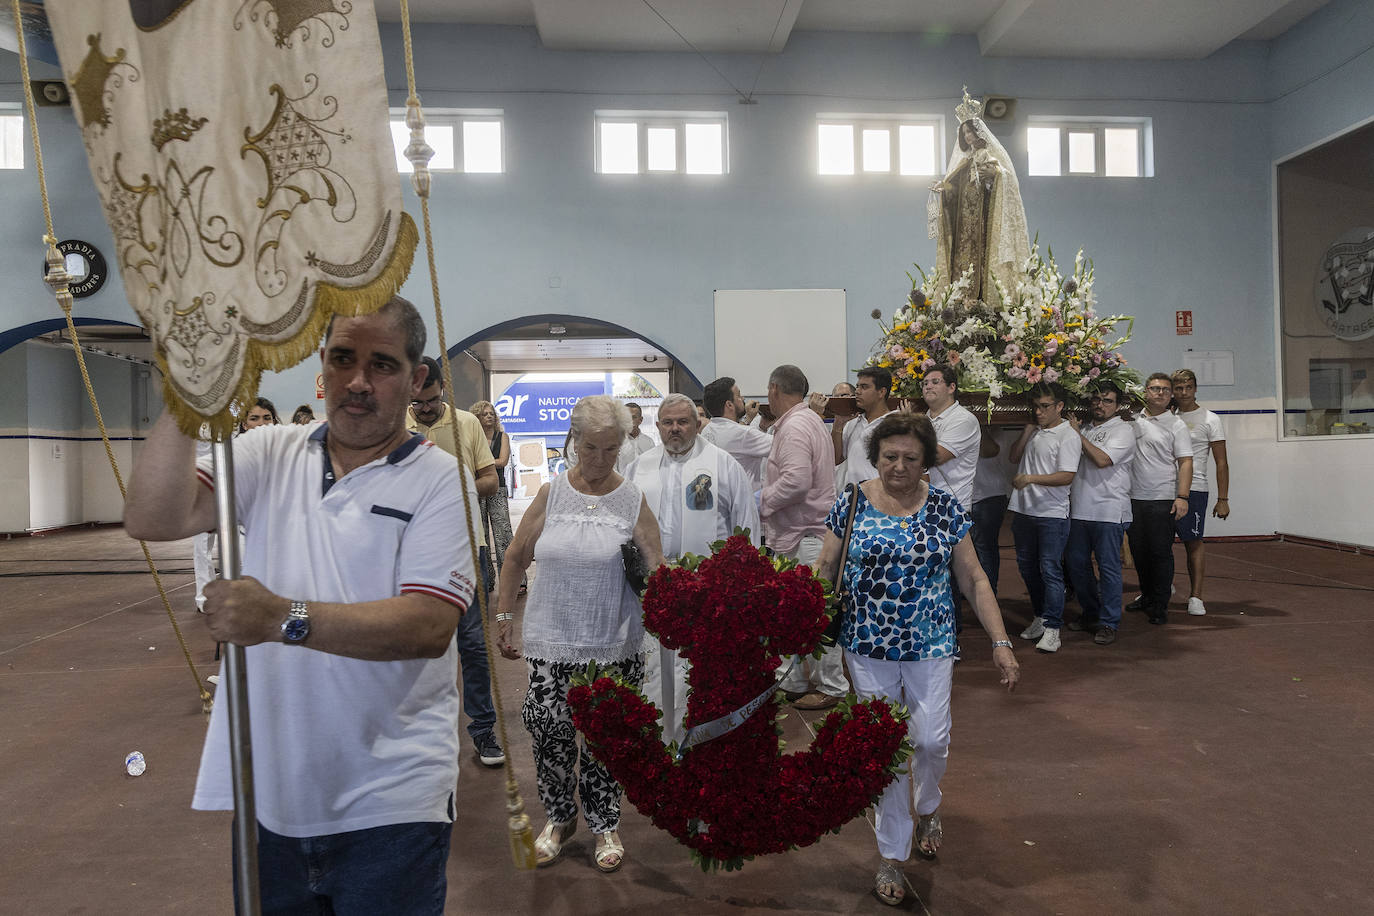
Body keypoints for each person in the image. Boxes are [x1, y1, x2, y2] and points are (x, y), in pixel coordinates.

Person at [123, 296, 476, 913]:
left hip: (392, 799)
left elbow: (427, 626)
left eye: (383, 365)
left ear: (417, 378)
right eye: (343, 359)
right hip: (272, 793)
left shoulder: (439, 478)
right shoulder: (267, 453)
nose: (359, 382)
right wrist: (187, 394)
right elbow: (153, 516)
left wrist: (281, 617)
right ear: (322, 365)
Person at [815, 412, 1019, 907]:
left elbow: (972, 577)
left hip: (931, 643)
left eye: (910, 458)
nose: (899, 467)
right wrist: (807, 623)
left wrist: (1000, 641)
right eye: (890, 457)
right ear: (875, 457)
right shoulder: (854, 500)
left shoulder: (945, 505)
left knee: (930, 740)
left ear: (926, 460)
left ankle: (929, 805)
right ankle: (891, 853)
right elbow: (825, 566)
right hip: (866, 645)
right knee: (888, 751)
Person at [493, 395, 663, 874]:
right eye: (591, 448)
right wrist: (505, 617)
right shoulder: (552, 494)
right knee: (549, 735)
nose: (600, 460)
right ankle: (560, 818)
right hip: (552, 644)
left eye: (611, 449)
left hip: (613, 643)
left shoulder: (632, 499)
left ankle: (605, 821)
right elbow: (514, 557)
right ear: (573, 440)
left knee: (606, 742)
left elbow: (658, 569)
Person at [626, 393, 759, 745]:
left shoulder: (723, 464)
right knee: (654, 667)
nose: (674, 429)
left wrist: (743, 586)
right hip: (651, 587)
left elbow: (746, 526)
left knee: (696, 670)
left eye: (682, 422)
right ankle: (659, 740)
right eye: (667, 423)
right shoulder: (638, 467)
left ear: (697, 423)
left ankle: (695, 742)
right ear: (657, 426)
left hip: (707, 589)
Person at [407, 357, 505, 768]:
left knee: (473, 646)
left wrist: (457, 483)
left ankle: (483, 731)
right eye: (418, 403)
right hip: (413, 555)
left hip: (468, 549)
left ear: (443, 390)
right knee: (420, 647)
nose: (425, 410)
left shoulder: (466, 424)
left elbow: (491, 479)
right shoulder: (398, 427)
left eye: (432, 401)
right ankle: (424, 735)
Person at [760, 364, 845, 710]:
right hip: (805, 532)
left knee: (816, 614)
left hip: (804, 535)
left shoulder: (795, 426)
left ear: (774, 389)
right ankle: (793, 680)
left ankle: (831, 686)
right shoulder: (808, 419)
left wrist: (761, 503)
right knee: (794, 613)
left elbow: (795, 482)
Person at [930, 89, 1031, 304]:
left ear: (979, 132)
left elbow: (1009, 182)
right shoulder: (965, 162)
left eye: (970, 131)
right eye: (964, 133)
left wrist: (996, 176)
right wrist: (945, 189)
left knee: (985, 260)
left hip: (985, 220)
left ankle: (987, 298)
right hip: (965, 225)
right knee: (964, 263)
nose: (968, 136)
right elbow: (955, 188)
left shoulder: (991, 157)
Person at [1010, 383, 1082, 654]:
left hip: (1051, 514)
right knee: (1027, 567)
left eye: (1045, 407)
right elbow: (1013, 456)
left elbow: (1067, 475)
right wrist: (1028, 430)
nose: (1039, 412)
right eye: (1036, 407)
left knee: (1050, 570)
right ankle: (1040, 616)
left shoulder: (1068, 436)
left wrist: (1030, 479)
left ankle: (1053, 628)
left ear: (1060, 407)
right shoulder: (1035, 431)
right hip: (1024, 511)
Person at [1065, 383, 1135, 645]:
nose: (1100, 405)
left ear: (1117, 406)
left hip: (1109, 510)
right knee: (1076, 566)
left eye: (1107, 401)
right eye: (1096, 399)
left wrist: (1075, 435)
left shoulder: (1124, 430)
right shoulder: (1083, 428)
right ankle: (1090, 612)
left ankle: (1109, 622)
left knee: (1108, 568)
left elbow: (1102, 460)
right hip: (1080, 510)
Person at [1126, 373, 1193, 625]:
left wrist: (1182, 496)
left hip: (1162, 499)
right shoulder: (1132, 420)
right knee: (1139, 552)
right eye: (1155, 388)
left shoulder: (1176, 425)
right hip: (1133, 498)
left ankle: (1160, 604)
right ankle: (1147, 595)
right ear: (1145, 391)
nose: (1160, 393)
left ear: (1170, 395)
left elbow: (1186, 461)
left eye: (1166, 390)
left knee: (1160, 553)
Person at [1171, 369, 1230, 616]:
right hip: (1160, 490)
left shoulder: (1210, 419)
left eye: (1188, 387)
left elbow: (1221, 462)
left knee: (1193, 542)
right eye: (1179, 388)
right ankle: (1159, 588)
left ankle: (1196, 597)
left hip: (1194, 489)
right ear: (1172, 390)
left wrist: (1223, 499)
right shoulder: (1164, 416)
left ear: (1195, 389)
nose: (1184, 393)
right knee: (1157, 545)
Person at [471, 399, 518, 592]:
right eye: (485, 414)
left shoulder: (502, 436)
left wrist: (480, 463)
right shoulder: (473, 436)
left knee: (503, 534)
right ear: (477, 417)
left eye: (492, 413)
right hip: (478, 487)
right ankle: (486, 580)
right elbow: (492, 461)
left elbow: (503, 461)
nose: (489, 416)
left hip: (498, 488)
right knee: (480, 536)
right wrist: (489, 463)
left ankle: (513, 581)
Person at [701, 376, 773, 493]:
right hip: (745, 503)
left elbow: (734, 434)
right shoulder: (745, 434)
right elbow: (784, 445)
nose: (743, 399)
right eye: (739, 396)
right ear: (729, 405)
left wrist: (751, 421)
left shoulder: (708, 430)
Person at [832, 368, 896, 488]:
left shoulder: (896, 423)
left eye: (864, 387)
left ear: (881, 392)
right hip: (852, 498)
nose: (857, 391)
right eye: (857, 386)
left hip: (881, 498)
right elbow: (836, 460)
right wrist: (838, 425)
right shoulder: (852, 423)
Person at [968, 426, 1014, 594]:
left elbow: (988, 451)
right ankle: (971, 589)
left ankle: (987, 593)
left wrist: (978, 423)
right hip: (968, 497)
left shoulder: (996, 431)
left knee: (985, 548)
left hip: (989, 496)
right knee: (968, 549)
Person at [614, 402, 656, 473]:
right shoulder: (616, 443)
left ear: (640, 420)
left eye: (633, 417)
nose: (630, 421)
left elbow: (653, 466)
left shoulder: (649, 443)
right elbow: (613, 469)